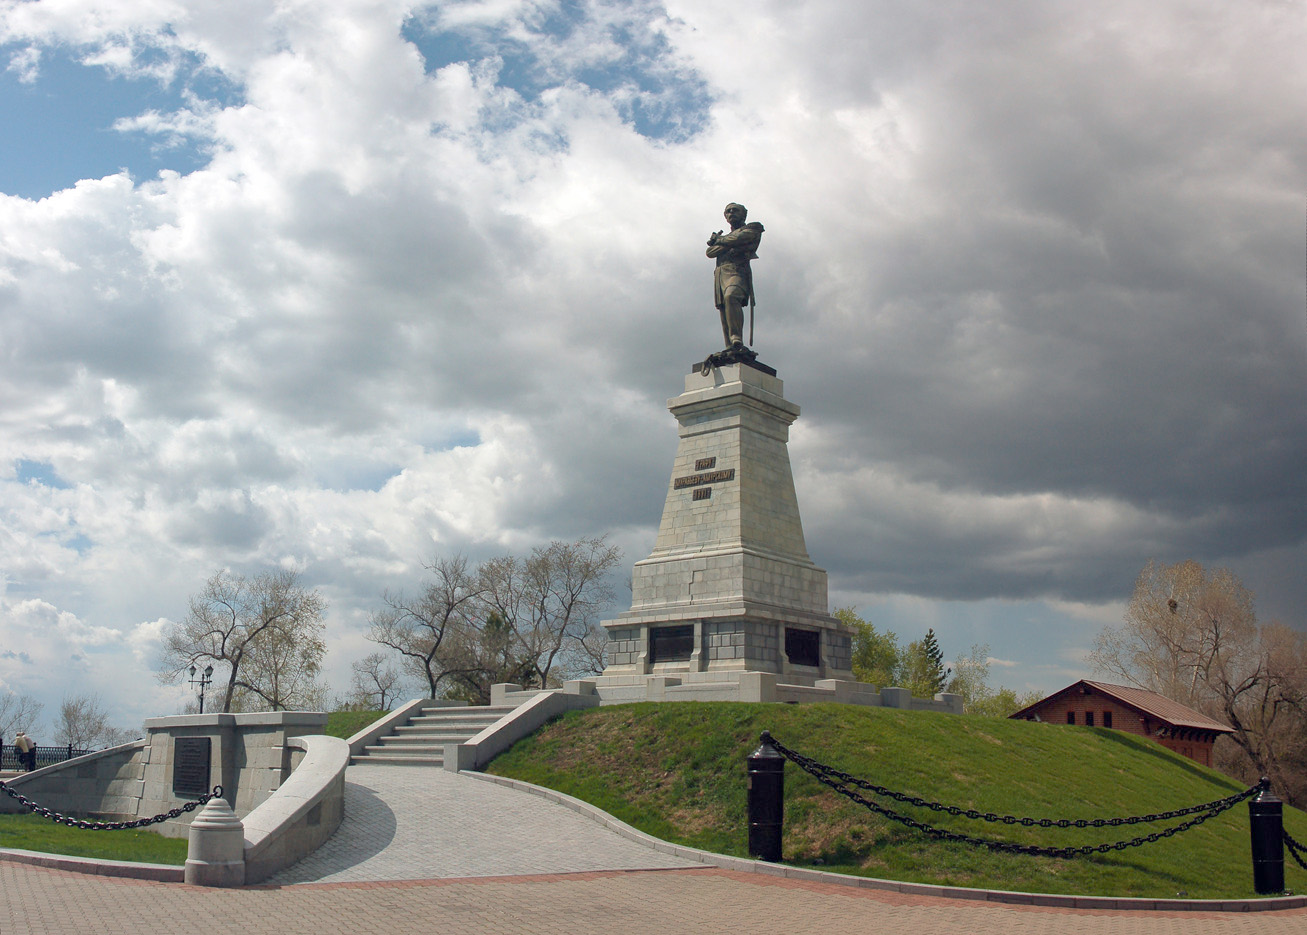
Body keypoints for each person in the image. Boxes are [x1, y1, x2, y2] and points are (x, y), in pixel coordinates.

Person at [706, 203, 764, 349]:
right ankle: (731, 347)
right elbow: (710, 252)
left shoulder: (754, 227)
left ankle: (736, 337)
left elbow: (743, 237)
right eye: (728, 211)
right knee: (724, 310)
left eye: (735, 210)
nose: (731, 213)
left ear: (744, 214)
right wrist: (731, 241)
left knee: (731, 296)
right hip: (721, 274)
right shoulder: (728, 237)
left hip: (738, 271)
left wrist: (720, 241)